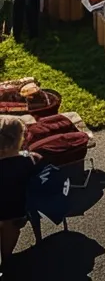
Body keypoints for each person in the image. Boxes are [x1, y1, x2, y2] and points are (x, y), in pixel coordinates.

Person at [0, 116, 40, 271]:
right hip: (15, 211)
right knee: (11, 230)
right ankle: (6, 257)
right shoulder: (28, 161)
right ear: (20, 139)